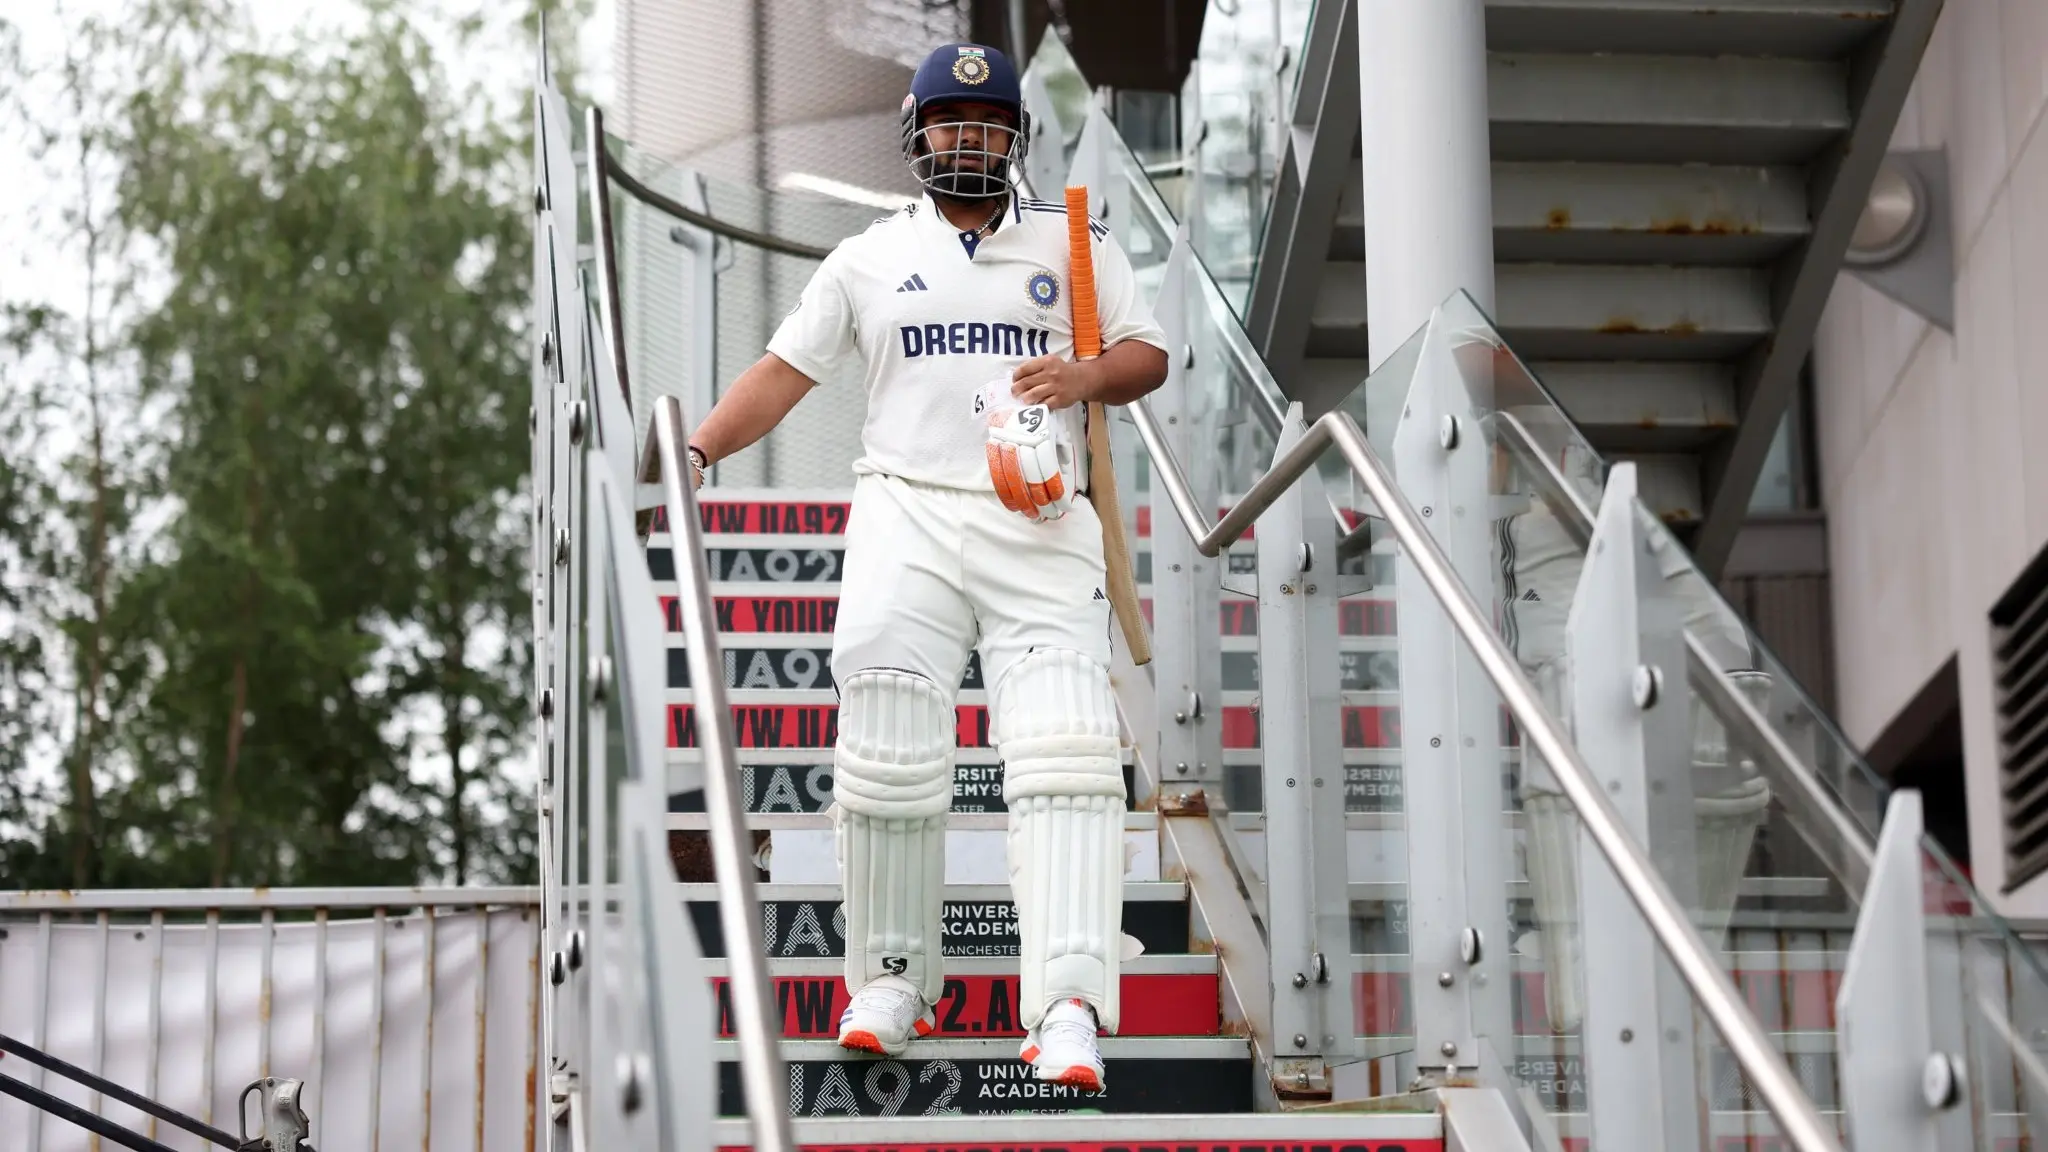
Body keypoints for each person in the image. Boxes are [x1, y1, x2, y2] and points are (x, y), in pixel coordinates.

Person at [681, 42, 1169, 1092]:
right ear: (917, 131)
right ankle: (890, 981)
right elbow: (783, 371)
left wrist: (1083, 375)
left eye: (987, 123)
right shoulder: (866, 257)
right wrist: (695, 451)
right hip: (904, 512)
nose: (968, 138)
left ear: (1013, 137)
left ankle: (1068, 1004)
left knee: (1069, 752)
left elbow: (1147, 353)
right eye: (950, 120)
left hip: (1040, 520)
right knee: (889, 745)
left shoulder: (1072, 240)